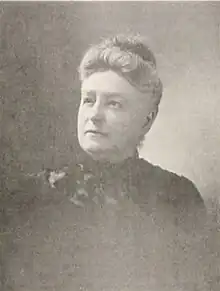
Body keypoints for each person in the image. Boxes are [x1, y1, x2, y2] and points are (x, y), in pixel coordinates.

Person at [4, 34, 213, 291]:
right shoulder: (31, 196)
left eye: (114, 104)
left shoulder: (178, 197)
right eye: (88, 100)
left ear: (147, 119)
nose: (94, 115)